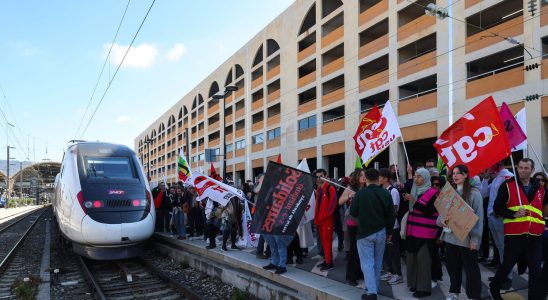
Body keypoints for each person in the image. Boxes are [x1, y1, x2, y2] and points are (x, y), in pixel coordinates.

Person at [489, 158, 547, 300]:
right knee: (507, 265)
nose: (522, 170)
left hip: (535, 235)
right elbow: (497, 207)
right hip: (515, 234)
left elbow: (543, 209)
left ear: (532, 170)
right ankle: (494, 286)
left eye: (526, 168)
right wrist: (513, 214)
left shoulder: (540, 188)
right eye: (520, 167)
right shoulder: (507, 185)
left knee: (535, 271)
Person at [438, 165, 483, 300]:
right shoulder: (448, 192)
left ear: (466, 175)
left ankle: (474, 296)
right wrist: (442, 221)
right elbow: (440, 215)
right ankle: (454, 292)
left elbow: (479, 219)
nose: (455, 176)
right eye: (454, 174)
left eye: (459, 173)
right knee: (453, 268)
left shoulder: (475, 194)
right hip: (450, 238)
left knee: (471, 270)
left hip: (467, 239)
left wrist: (475, 239)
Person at [350, 168, 395, 300]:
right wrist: (390, 231)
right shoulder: (386, 193)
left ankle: (372, 292)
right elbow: (391, 214)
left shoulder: (360, 194)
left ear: (366, 179)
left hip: (364, 233)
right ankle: (374, 288)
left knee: (367, 263)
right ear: (378, 178)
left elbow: (353, 212)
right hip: (381, 232)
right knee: (377, 261)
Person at [403, 168, 439, 298]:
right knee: (412, 259)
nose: (416, 178)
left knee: (423, 261)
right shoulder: (414, 190)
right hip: (412, 232)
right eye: (415, 176)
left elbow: (429, 210)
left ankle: (424, 289)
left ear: (426, 178)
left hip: (425, 233)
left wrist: (413, 200)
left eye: (419, 176)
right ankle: (414, 284)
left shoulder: (433, 193)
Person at [480, 161, 513, 274]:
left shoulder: (507, 176)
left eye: (490, 166)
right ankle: (504, 272)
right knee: (499, 246)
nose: (488, 169)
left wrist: (503, 212)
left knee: (503, 246)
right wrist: (485, 179)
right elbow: (484, 194)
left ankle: (506, 274)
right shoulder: (496, 177)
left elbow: (511, 198)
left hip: (499, 217)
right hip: (491, 216)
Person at [338, 169, 366, 286]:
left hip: (364, 222)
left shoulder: (367, 188)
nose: (364, 177)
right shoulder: (351, 188)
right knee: (353, 250)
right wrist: (349, 195)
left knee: (363, 250)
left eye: (365, 175)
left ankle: (360, 273)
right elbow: (340, 201)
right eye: (361, 175)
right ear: (356, 177)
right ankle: (351, 276)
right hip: (353, 222)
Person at [379, 168, 403, 285]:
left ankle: (398, 274)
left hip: (392, 227)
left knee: (393, 251)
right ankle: (389, 272)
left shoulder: (393, 191)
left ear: (385, 179)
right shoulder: (381, 190)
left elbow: (395, 209)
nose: (378, 179)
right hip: (383, 226)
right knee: (386, 251)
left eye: (380, 177)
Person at [314, 169, 338, 271]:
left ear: (326, 176)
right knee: (324, 242)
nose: (319, 178)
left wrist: (326, 215)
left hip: (326, 220)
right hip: (320, 220)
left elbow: (333, 203)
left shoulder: (330, 188)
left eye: (321, 176)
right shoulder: (319, 189)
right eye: (317, 176)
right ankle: (327, 260)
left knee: (327, 242)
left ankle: (329, 263)